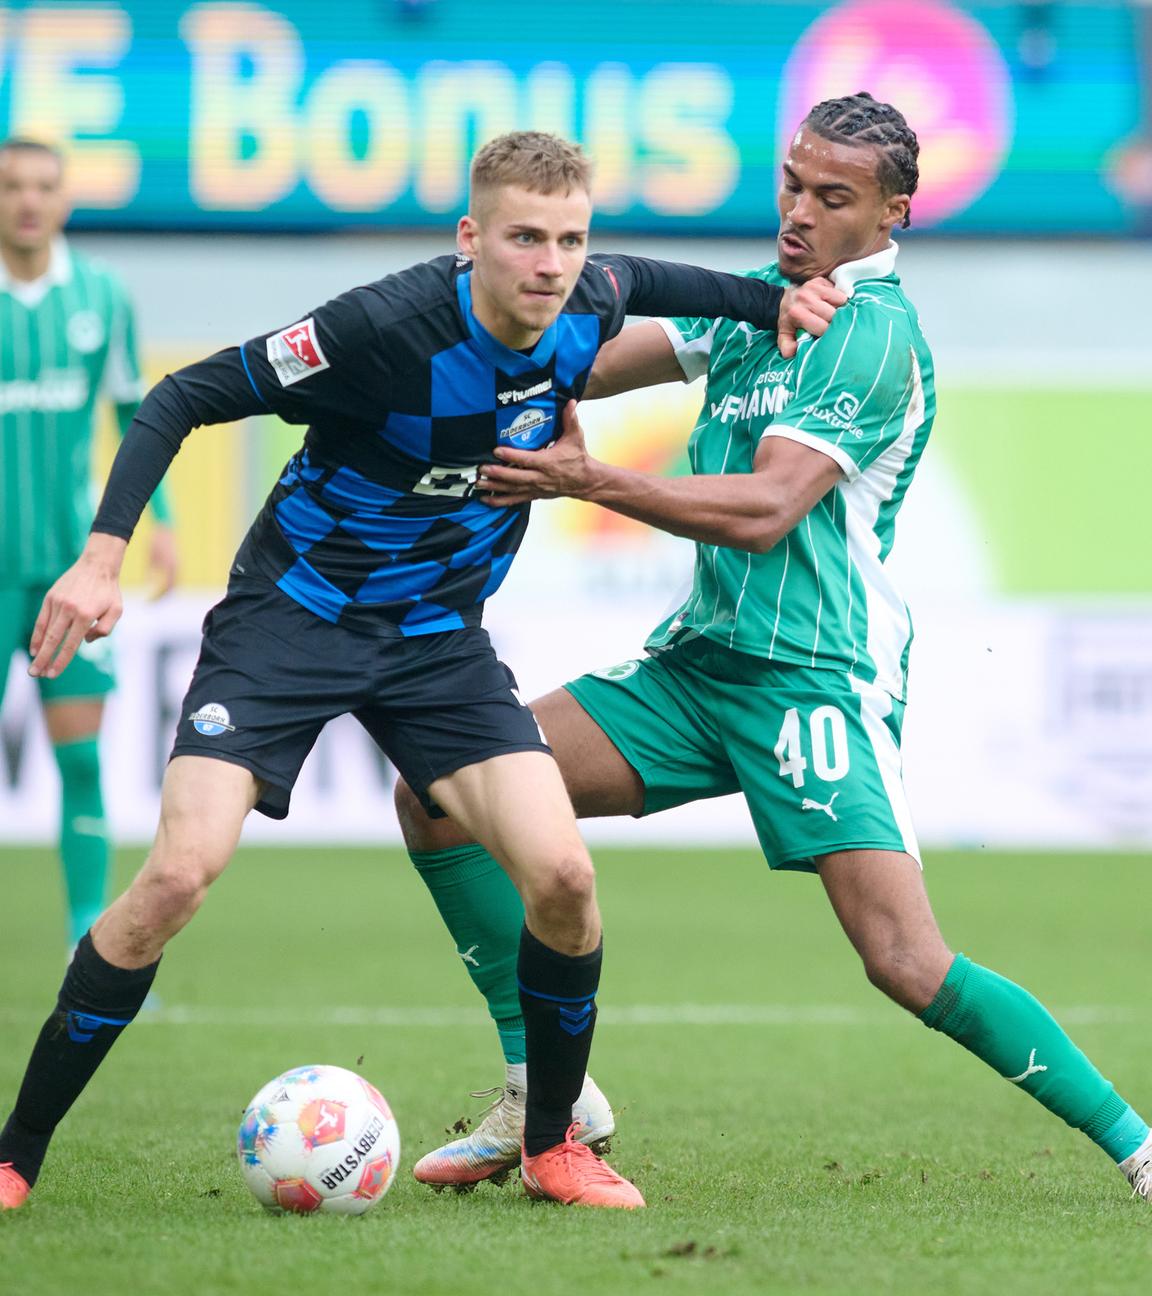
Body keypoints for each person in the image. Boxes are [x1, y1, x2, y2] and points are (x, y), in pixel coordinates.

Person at [0, 130, 842, 1213]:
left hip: (438, 641)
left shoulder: (591, 297)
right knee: (175, 877)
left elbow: (699, 284)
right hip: (290, 622)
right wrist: (103, 555)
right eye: (525, 239)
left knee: (565, 880)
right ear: (470, 240)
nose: (551, 265)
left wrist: (779, 299)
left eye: (571, 241)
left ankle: (552, 1145)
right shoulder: (377, 330)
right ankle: (18, 1155)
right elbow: (180, 397)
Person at [395, 94, 1152, 1205]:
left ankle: (1136, 1145)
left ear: (894, 212)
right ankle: (545, 1093)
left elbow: (765, 508)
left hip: (813, 683)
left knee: (903, 959)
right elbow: (587, 361)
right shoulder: (756, 304)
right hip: (697, 667)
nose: (798, 211)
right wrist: (473, 309)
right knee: (440, 791)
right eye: (792, 182)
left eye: (831, 197)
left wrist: (590, 480)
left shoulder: (877, 335)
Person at [0, 138, 177, 952]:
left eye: (42, 186)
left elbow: (134, 417)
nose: (28, 201)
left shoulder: (102, 298)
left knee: (79, 765)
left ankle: (84, 944)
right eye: (11, 187)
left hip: (66, 577)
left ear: (65, 200)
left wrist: (164, 524)